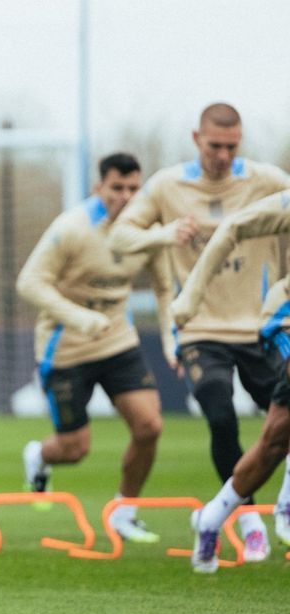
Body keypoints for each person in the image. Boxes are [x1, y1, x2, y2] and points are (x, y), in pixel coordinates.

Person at [107, 103, 290, 560]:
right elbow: (120, 236)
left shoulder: (266, 181)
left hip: (257, 327)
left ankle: (265, 507)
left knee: (280, 428)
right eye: (215, 146)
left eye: (232, 146)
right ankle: (247, 519)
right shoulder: (169, 185)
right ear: (196, 139)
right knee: (220, 412)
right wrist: (164, 235)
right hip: (199, 328)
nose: (224, 155)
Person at [17, 153, 175, 542]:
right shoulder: (71, 228)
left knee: (150, 425)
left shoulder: (146, 232)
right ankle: (39, 456)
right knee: (74, 448)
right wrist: (77, 317)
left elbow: (164, 287)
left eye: (133, 188)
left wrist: (172, 338)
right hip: (65, 345)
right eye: (117, 188)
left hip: (118, 340)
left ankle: (125, 511)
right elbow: (29, 283)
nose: (125, 196)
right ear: (98, 188)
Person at [172, 190, 290, 570]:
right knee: (273, 439)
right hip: (284, 317)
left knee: (275, 440)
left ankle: (210, 518)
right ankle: (285, 508)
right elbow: (234, 226)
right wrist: (190, 295)